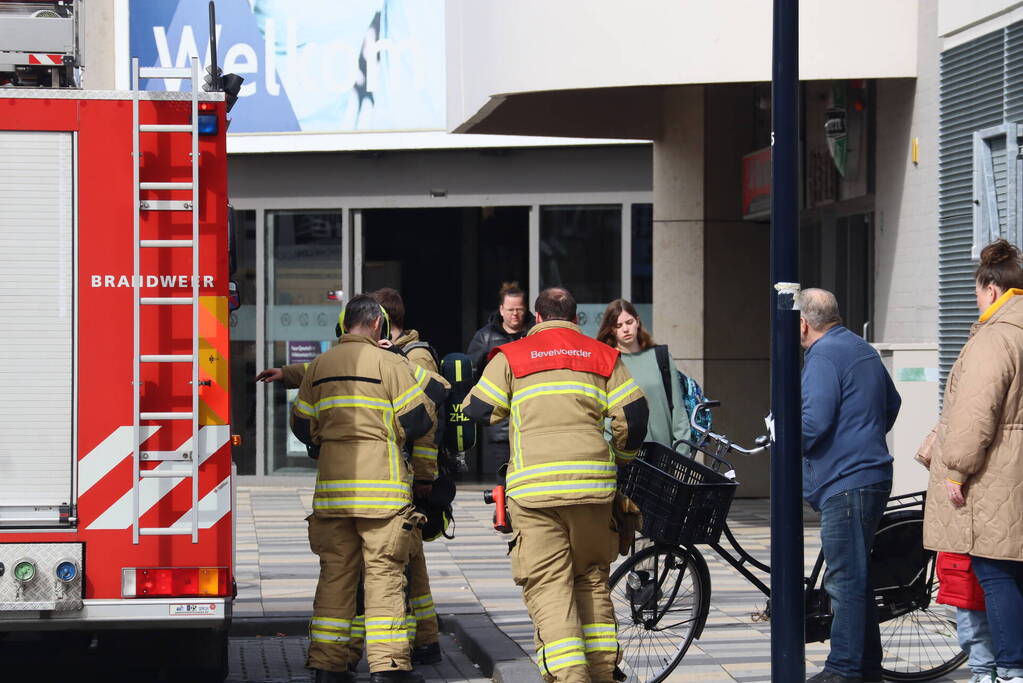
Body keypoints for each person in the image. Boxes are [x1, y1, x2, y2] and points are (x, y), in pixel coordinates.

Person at [462, 287, 649, 683]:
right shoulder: (602, 355)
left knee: (549, 586)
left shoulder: (512, 356)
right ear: (576, 319)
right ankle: (602, 674)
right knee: (592, 579)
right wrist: (621, 459)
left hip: (534, 494)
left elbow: (479, 410)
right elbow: (633, 415)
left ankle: (570, 677)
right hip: (594, 491)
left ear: (537, 318)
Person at [258, 288, 449, 668]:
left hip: (333, 496)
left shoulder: (320, 365)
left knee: (336, 578)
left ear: (345, 324)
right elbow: (418, 421)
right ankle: (389, 665)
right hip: (383, 497)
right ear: (377, 323)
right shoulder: (390, 363)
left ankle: (328, 664)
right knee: (383, 578)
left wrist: (324, 440)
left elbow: (300, 423)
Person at [922, 239, 1023, 683]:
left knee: (993, 568)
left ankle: (1009, 668)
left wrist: (956, 469)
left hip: (996, 474)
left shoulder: (995, 337)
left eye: (978, 290)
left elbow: (975, 412)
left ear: (991, 289)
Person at [799, 288, 901, 683]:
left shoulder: (822, 356)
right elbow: (892, 404)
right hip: (871, 474)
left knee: (843, 580)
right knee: (856, 576)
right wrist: (865, 433)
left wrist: (785, 439)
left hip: (845, 479)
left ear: (804, 324)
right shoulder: (862, 349)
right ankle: (868, 667)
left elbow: (813, 423)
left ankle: (842, 669)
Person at [596, 298, 690, 449]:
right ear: (611, 330)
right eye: (618, 325)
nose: (625, 329)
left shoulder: (661, 357)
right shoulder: (608, 363)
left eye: (629, 322)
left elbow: (679, 412)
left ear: (637, 322)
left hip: (664, 454)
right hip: (625, 455)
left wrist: (682, 452)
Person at [466, 282, 535, 478]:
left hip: (531, 415)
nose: (515, 314)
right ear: (501, 310)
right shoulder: (485, 337)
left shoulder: (534, 334)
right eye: (511, 309)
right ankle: (501, 509)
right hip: (500, 421)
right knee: (502, 475)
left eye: (520, 309)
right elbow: (471, 373)